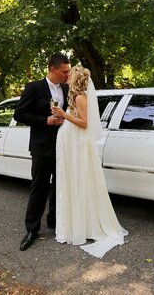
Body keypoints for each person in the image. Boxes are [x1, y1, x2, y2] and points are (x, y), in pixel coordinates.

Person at [51, 66, 128, 258]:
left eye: (70, 74)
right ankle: (78, 225)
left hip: (78, 144)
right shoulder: (76, 96)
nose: (66, 76)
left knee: (80, 182)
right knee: (75, 182)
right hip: (72, 144)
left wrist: (63, 114)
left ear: (75, 78)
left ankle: (83, 226)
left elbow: (84, 123)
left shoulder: (80, 97)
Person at [14, 53, 71, 251]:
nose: (68, 74)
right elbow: (19, 114)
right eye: (65, 71)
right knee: (39, 187)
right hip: (41, 147)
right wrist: (44, 120)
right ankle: (32, 229)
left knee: (59, 185)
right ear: (53, 69)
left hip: (62, 145)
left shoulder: (66, 88)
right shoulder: (34, 87)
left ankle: (54, 221)